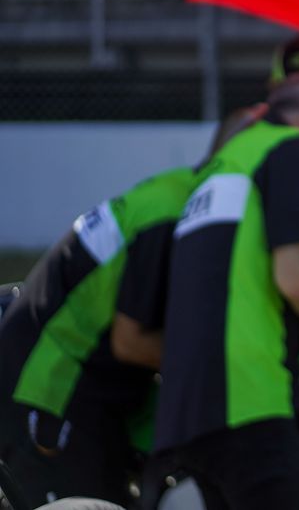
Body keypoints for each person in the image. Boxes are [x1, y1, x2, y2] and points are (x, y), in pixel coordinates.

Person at [0, 106, 260, 507]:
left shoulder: (183, 195)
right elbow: (130, 341)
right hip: (51, 393)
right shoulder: (173, 214)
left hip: (91, 394)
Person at [153, 74, 299, 510]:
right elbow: (297, 279)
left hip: (189, 410)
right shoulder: (292, 146)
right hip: (249, 401)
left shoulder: (228, 160)